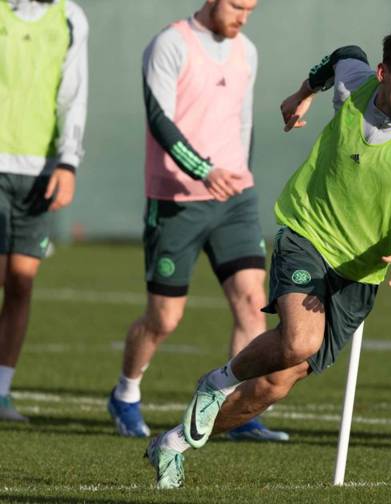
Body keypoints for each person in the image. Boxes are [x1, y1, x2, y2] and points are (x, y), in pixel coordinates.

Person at [143, 26, 391, 489]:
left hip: (360, 273)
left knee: (276, 382)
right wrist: (303, 93)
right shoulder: (356, 82)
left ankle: (174, 443)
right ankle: (215, 383)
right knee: (299, 341)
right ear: (382, 73)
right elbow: (342, 55)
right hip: (307, 231)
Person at [106, 0, 287, 443]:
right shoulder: (170, 44)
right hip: (176, 201)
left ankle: (233, 411)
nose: (244, 16)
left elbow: (243, 122)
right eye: (237, 6)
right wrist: (204, 170)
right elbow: (159, 120)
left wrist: (240, 175)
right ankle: (125, 394)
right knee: (164, 318)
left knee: (251, 300)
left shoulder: (248, 50)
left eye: (251, 8)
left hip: (235, 200)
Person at [0, 0, 87, 422]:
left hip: (39, 171)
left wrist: (68, 162)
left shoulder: (70, 17)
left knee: (21, 282)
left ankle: (1, 391)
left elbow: (74, 93)